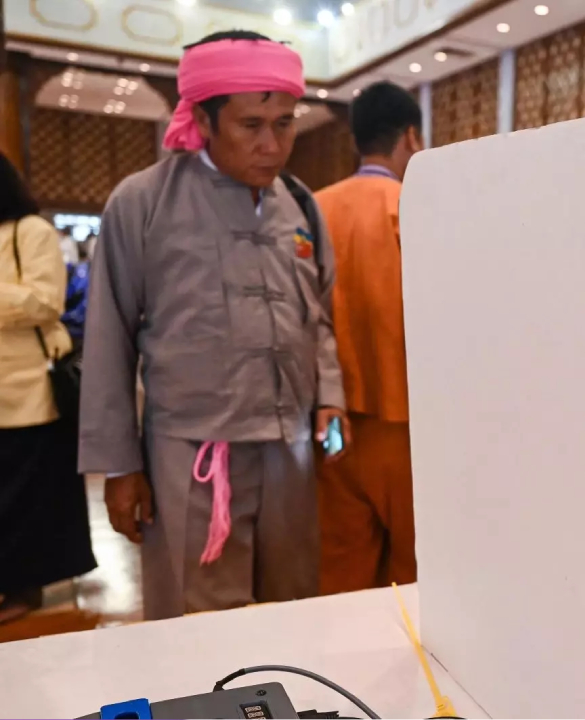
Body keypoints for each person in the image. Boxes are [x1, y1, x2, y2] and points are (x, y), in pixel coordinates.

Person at [78, 31, 348, 620]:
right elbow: (108, 339)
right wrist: (120, 466)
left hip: (289, 451)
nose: (272, 145)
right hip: (191, 456)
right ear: (203, 119)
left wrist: (329, 395)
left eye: (285, 123)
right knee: (199, 620)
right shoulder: (143, 203)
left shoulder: (300, 204)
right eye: (251, 125)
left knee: (292, 609)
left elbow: (318, 314)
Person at [312, 81, 423, 594]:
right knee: (415, 574)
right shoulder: (412, 206)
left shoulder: (313, 209)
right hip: (405, 424)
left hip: (333, 423)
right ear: (411, 136)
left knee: (343, 571)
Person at [0, 151, 96, 624]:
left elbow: (44, 302)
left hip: (28, 392)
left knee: (25, 497)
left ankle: (25, 587)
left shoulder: (31, 232)